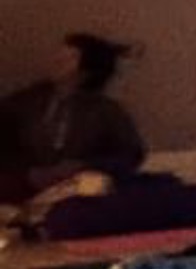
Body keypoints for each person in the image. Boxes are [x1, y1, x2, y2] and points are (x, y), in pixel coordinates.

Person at [0, 33, 146, 207]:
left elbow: (131, 155)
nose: (58, 60)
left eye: (71, 57)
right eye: (60, 54)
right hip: (25, 187)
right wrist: (27, 174)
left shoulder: (106, 110)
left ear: (87, 68)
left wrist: (84, 166)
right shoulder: (27, 101)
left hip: (77, 191)